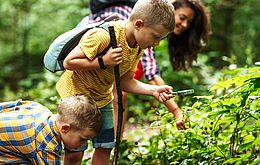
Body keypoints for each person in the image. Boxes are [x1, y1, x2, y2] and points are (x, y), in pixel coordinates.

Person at [56, 0, 176, 164]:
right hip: (77, 96)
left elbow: (126, 82)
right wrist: (103, 61)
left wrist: (153, 91)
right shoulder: (104, 35)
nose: (156, 43)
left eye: (161, 38)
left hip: (103, 98)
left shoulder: (138, 47)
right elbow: (69, 62)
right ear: (139, 24)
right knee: (75, 152)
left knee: (105, 147)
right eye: (155, 36)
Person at [85, 0, 211, 134]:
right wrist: (175, 110)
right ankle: (113, 145)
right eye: (182, 17)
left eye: (189, 22)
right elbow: (153, 74)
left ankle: (114, 146)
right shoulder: (142, 25)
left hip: (110, 65)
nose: (185, 25)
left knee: (121, 92)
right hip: (91, 57)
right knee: (118, 94)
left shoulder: (149, 31)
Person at [0, 94, 102, 164]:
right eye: (83, 139)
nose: (84, 144)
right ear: (65, 129)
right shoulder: (47, 147)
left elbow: (11, 105)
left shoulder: (40, 109)